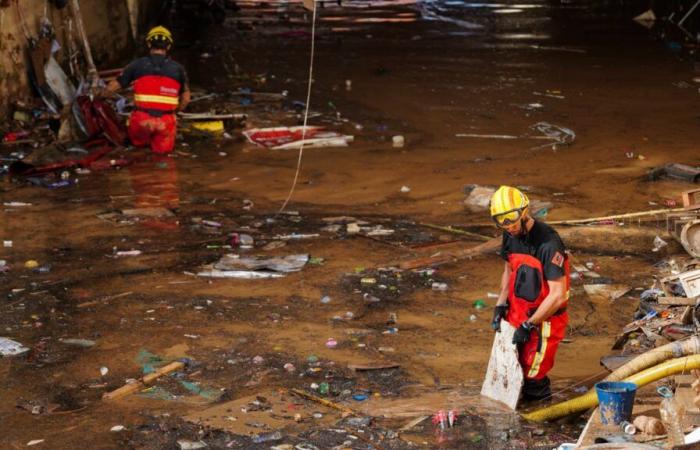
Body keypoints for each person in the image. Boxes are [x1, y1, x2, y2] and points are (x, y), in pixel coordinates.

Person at [489, 186, 570, 401]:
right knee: (513, 368)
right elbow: (509, 270)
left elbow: (558, 295)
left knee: (534, 373)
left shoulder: (548, 243)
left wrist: (530, 324)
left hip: (544, 320)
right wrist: (500, 305)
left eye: (511, 218)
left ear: (524, 212)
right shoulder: (509, 236)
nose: (508, 225)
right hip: (518, 310)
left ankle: (540, 420)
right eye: (500, 220)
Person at [105, 26, 190, 154]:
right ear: (168, 47)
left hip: (141, 120)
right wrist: (174, 112)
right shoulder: (179, 69)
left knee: (138, 154)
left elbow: (112, 88)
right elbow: (185, 99)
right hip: (165, 122)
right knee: (163, 156)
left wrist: (98, 96)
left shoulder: (136, 65)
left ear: (149, 44)